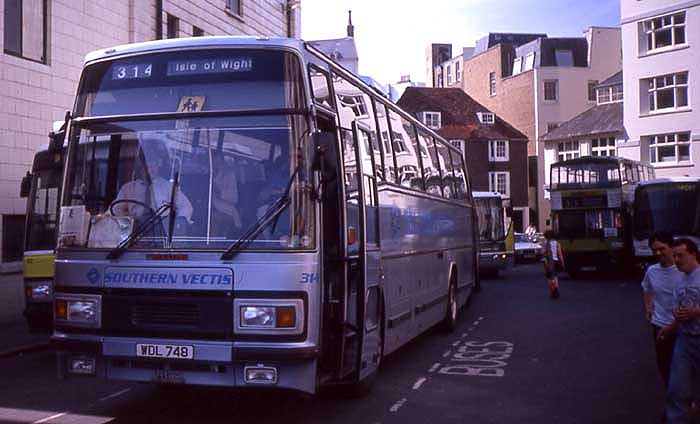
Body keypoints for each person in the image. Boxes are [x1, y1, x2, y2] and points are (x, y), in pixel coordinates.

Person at [641, 232, 682, 389]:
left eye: (661, 249)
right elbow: (647, 289)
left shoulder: (683, 268)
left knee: (684, 366)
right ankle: (675, 401)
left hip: (683, 327)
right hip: (660, 326)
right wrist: (648, 307)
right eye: (654, 250)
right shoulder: (652, 271)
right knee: (665, 366)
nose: (657, 253)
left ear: (671, 248)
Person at [112, 146, 193, 226]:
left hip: (161, 232)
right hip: (136, 233)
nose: (150, 169)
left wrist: (178, 221)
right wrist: (125, 222)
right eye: (147, 165)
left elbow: (186, 206)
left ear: (158, 166)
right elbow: (115, 211)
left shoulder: (168, 187)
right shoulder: (128, 188)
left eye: (154, 165)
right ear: (141, 167)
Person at [665, 238, 700, 424]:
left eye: (681, 255)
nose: (676, 260)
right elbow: (675, 309)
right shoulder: (678, 281)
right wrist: (674, 319)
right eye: (675, 255)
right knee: (677, 389)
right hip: (684, 340)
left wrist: (696, 311)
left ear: (693, 254)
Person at [211, 155, 242, 238]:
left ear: (223, 163)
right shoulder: (206, 174)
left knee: (214, 217)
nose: (216, 165)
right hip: (204, 206)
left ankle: (212, 243)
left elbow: (234, 198)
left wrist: (218, 191)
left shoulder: (230, 176)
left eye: (218, 162)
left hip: (226, 209)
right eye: (214, 162)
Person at [542, 230, 565, 299]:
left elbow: (542, 252)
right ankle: (556, 288)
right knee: (555, 276)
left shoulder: (544, 243)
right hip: (555, 261)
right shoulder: (557, 243)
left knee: (549, 277)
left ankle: (552, 291)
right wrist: (563, 263)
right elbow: (560, 254)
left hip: (547, 262)